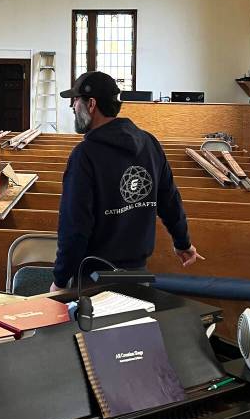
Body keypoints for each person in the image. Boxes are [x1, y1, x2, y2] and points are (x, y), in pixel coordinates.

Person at [50, 71, 203, 292]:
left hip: (94, 279)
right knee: (133, 316)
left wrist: (60, 279)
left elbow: (75, 227)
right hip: (137, 275)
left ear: (91, 104)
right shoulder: (149, 143)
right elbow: (170, 200)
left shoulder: (85, 155)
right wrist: (183, 243)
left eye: (75, 100)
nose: (73, 106)